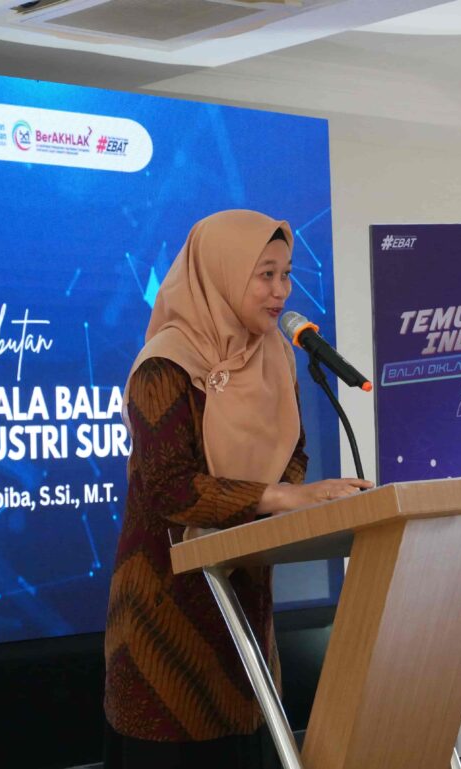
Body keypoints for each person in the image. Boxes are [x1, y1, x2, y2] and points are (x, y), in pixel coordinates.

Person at [103, 209, 373, 768]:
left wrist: (299, 497)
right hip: (166, 612)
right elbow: (170, 490)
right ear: (221, 273)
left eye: (286, 274)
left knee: (243, 738)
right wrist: (279, 497)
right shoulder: (165, 365)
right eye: (265, 274)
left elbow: (292, 454)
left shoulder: (276, 356)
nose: (281, 291)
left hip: (244, 600)